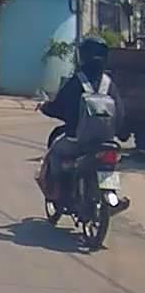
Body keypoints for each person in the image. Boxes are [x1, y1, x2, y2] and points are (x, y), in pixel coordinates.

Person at [39, 35, 124, 199]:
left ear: (83, 55)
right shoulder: (109, 84)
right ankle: (112, 196)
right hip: (106, 142)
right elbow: (120, 114)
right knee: (110, 162)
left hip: (77, 141)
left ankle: (57, 193)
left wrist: (45, 107)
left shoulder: (77, 81)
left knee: (55, 153)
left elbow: (59, 107)